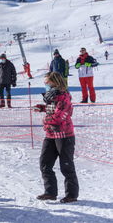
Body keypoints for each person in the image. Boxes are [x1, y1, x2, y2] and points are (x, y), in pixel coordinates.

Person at [34, 72, 79, 203]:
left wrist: (46, 121)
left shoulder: (64, 96)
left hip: (64, 135)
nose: (45, 85)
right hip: (50, 134)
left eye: (47, 82)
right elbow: (53, 110)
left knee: (66, 165)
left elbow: (59, 116)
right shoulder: (51, 96)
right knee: (45, 163)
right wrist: (42, 108)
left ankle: (71, 194)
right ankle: (50, 192)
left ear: (55, 82)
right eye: (45, 82)